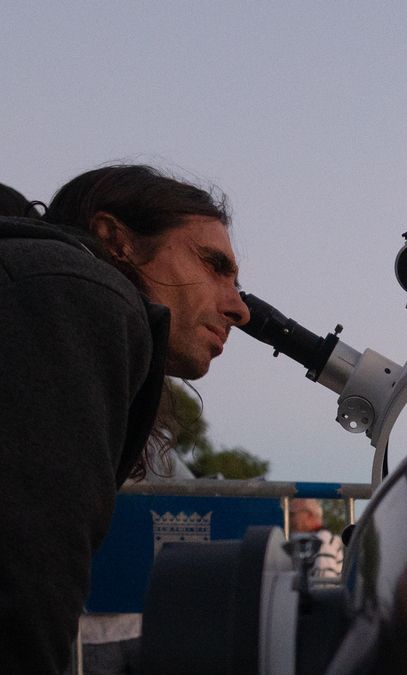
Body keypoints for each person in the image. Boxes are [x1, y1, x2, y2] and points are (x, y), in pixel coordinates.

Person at [0, 165, 250, 674]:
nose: (240, 309)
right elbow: (26, 570)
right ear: (115, 240)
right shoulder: (80, 292)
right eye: (213, 264)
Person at [288, 499, 346, 578]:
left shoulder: (322, 541)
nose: (289, 519)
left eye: (292, 514)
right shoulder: (322, 539)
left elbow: (325, 583)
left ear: (308, 515)